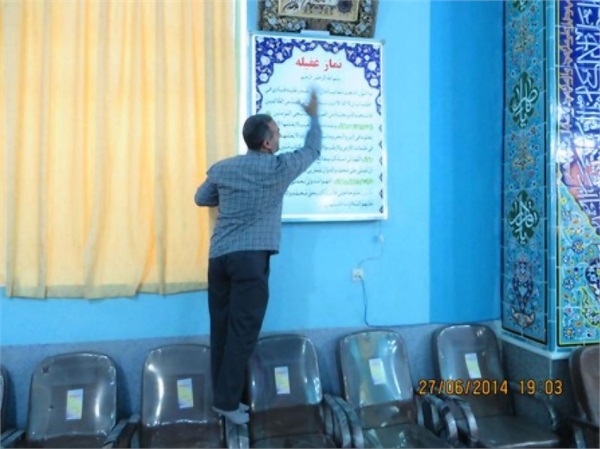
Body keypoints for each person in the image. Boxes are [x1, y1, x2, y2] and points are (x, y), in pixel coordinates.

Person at [194, 89, 321, 424]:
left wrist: (231, 197)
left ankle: (224, 399)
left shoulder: (223, 168)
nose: (279, 138)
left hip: (219, 260)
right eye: (276, 133)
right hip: (250, 262)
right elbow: (312, 150)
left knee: (222, 329)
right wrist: (313, 117)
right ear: (266, 143)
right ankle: (226, 403)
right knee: (242, 333)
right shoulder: (279, 168)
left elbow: (201, 198)